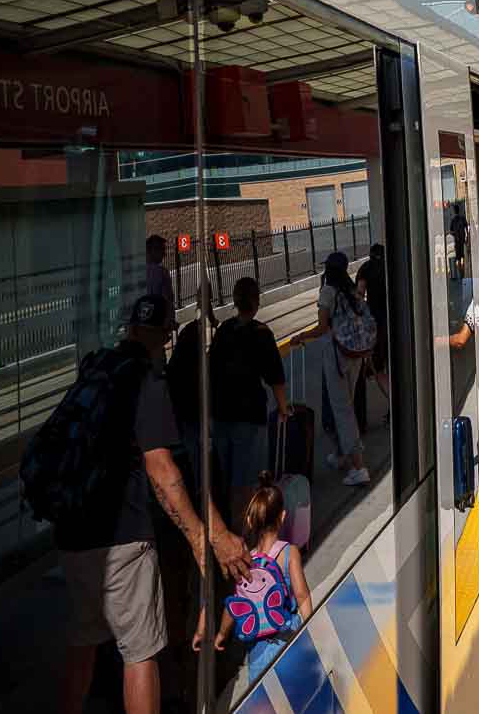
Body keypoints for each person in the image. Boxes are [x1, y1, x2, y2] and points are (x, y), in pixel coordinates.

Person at [51, 294, 249, 714]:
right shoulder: (147, 382)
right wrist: (202, 537)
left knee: (82, 641)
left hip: (72, 532)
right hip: (122, 536)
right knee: (139, 652)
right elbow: (164, 472)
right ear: (164, 335)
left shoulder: (96, 368)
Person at [196, 473, 314, 685]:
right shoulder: (289, 552)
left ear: (250, 521)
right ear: (283, 516)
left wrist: (222, 634)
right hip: (287, 636)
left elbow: (235, 605)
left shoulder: (244, 560)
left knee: (265, 700)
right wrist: (311, 627)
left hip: (258, 648)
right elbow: (302, 595)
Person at [210, 276, 291, 521]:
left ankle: (228, 527)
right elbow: (275, 378)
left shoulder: (224, 330)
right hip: (249, 414)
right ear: (256, 302)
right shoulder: (261, 334)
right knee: (245, 481)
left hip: (221, 413)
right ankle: (243, 535)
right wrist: (283, 408)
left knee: (228, 475)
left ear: (235, 301)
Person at [291, 252, 372, 487]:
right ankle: (341, 454)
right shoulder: (352, 291)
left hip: (336, 356)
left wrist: (300, 336)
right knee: (346, 406)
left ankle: (358, 467)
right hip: (354, 355)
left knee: (342, 410)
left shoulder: (328, 292)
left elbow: (321, 327)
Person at [356, 245, 391, 428]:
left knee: (378, 370)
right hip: (395, 322)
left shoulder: (366, 268)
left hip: (376, 324)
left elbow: (360, 293)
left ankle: (395, 405)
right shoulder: (392, 265)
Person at [144, 234, 175, 309]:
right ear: (153, 251)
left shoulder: (138, 272)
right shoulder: (162, 272)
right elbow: (168, 300)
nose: (165, 254)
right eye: (162, 250)